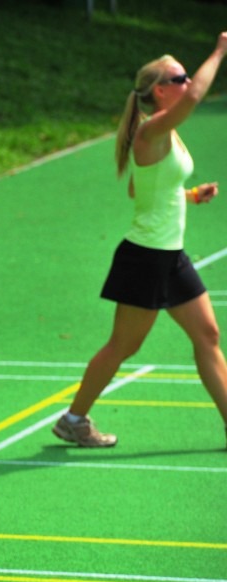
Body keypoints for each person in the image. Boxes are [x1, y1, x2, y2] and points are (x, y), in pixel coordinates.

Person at [53, 31, 227, 448]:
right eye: (179, 77)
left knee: (208, 336)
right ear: (160, 91)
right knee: (122, 346)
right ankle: (74, 420)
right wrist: (220, 51)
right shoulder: (151, 131)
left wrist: (189, 194)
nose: (188, 82)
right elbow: (195, 97)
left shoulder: (164, 134)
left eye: (187, 75)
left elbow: (140, 189)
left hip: (171, 256)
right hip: (146, 259)